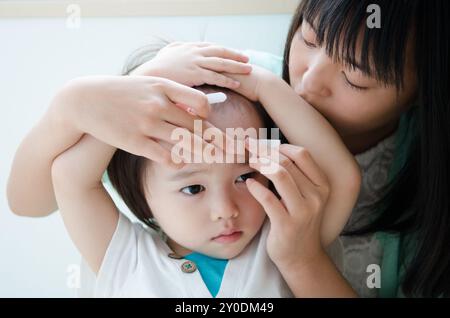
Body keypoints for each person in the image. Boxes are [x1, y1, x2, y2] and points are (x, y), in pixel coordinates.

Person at [9, 0, 448, 298]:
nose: (226, 209)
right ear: (142, 200)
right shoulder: (127, 254)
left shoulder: (280, 242)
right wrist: (105, 94)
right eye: (310, 39)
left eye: (245, 177)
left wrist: (262, 85)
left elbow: (341, 177)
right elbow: (58, 181)